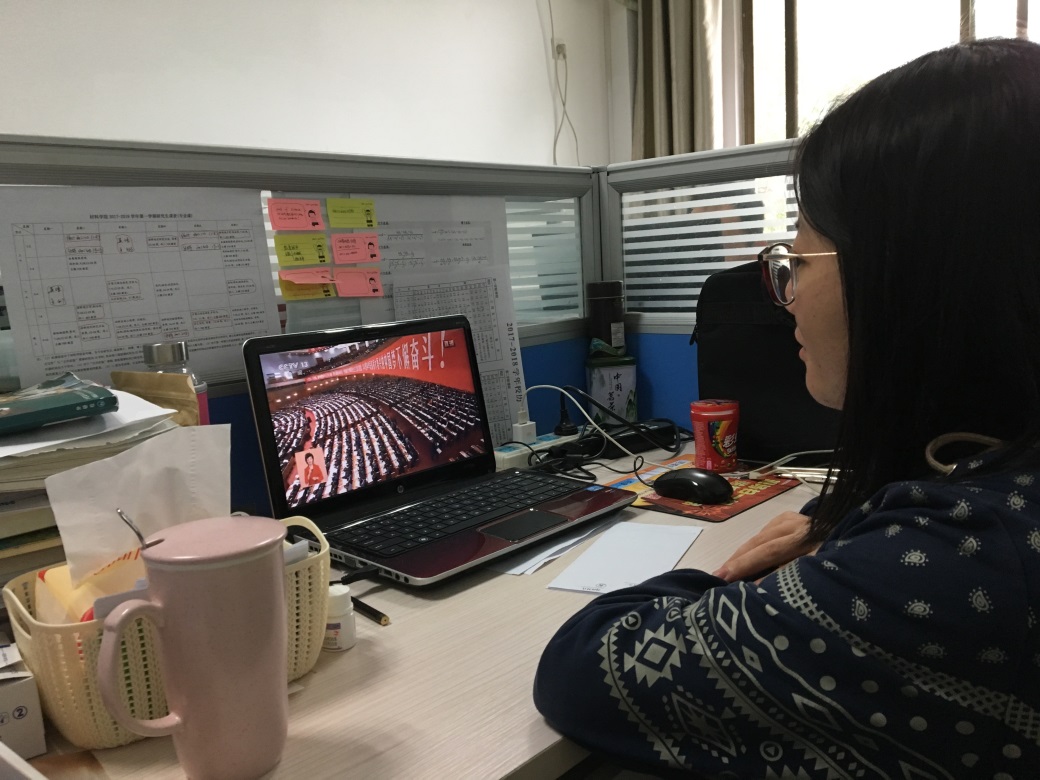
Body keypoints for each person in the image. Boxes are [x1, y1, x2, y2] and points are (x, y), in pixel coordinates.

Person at [534, 38, 1040, 777]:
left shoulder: (959, 561)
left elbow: (584, 669)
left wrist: (747, 577)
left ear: (909, 274)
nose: (787, 298)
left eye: (797, 262)